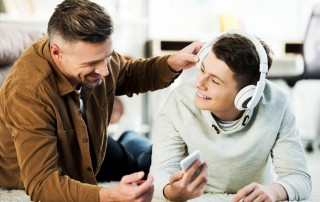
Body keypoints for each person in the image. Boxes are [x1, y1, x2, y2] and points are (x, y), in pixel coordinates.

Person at [0, 0, 203, 201]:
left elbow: (128, 73)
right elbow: (43, 184)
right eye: (92, 63)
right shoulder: (28, 92)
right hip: (53, 164)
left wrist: (172, 62)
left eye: (107, 57)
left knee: (145, 164)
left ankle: (129, 136)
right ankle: (130, 137)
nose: (105, 71)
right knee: (140, 166)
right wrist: (109, 196)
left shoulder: (94, 53)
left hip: (89, 145)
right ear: (56, 53)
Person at [150, 30, 312, 202]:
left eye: (214, 81)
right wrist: (172, 191)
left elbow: (299, 177)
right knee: (135, 152)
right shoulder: (180, 101)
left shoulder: (277, 103)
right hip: (161, 149)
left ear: (247, 95)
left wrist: (275, 191)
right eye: (202, 70)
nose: (199, 83)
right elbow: (160, 174)